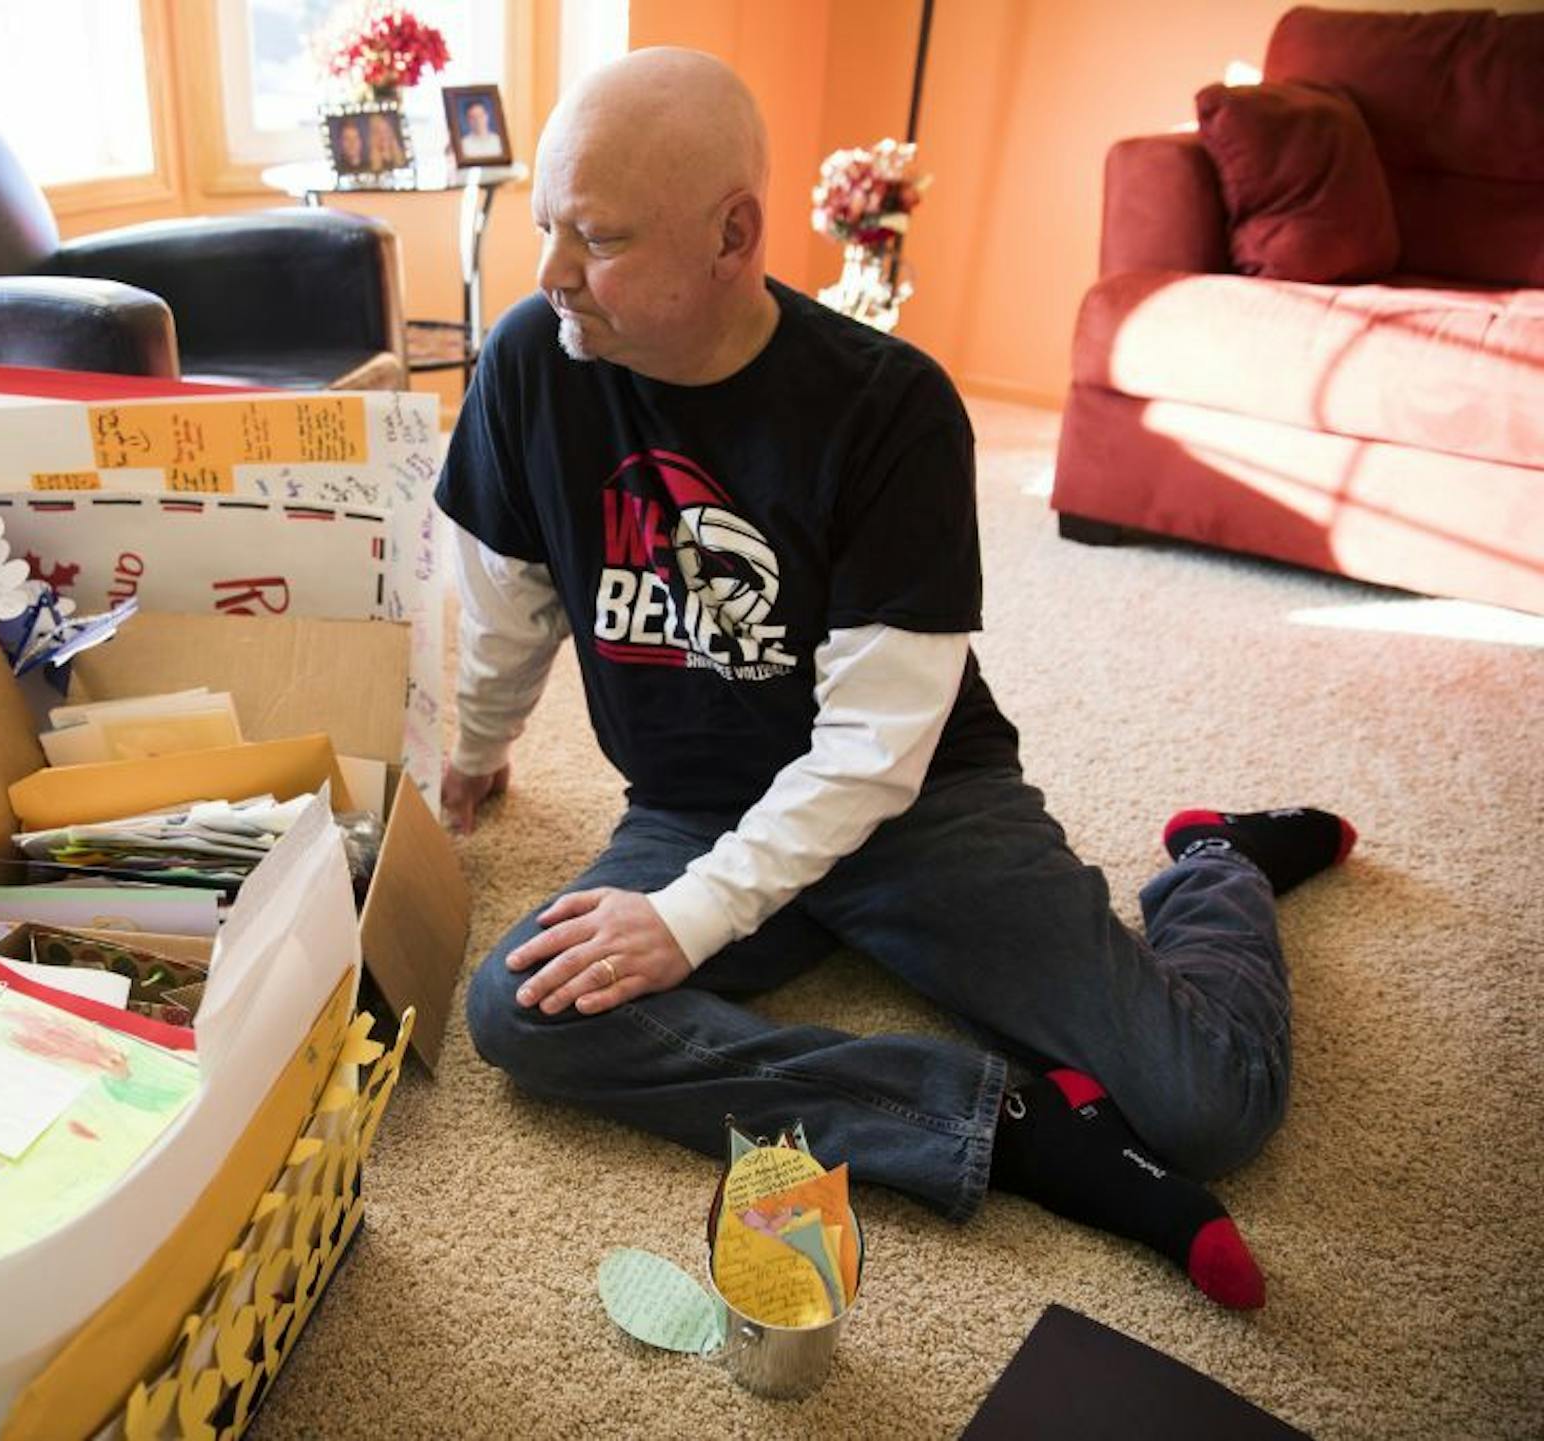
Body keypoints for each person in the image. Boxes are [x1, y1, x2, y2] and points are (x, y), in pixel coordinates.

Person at [436, 47, 1357, 1311]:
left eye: (595, 237)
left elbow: (874, 748)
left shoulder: (888, 408)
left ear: (732, 235)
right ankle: (1009, 1126)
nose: (551, 271)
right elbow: (511, 593)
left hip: (917, 805)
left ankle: (1220, 864)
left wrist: (691, 919)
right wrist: (478, 744)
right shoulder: (533, 362)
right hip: (698, 802)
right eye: (545, 224)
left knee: (1210, 1106)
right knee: (520, 1010)